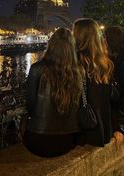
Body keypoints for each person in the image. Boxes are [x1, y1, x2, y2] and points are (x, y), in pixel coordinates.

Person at [23, 27, 82, 157]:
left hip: (38, 139)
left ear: (51, 45)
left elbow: (30, 106)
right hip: (68, 140)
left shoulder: (36, 69)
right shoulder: (78, 72)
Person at [73, 18, 124, 147]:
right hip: (102, 131)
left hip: (81, 133)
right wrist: (116, 127)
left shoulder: (72, 65)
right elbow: (112, 101)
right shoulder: (105, 64)